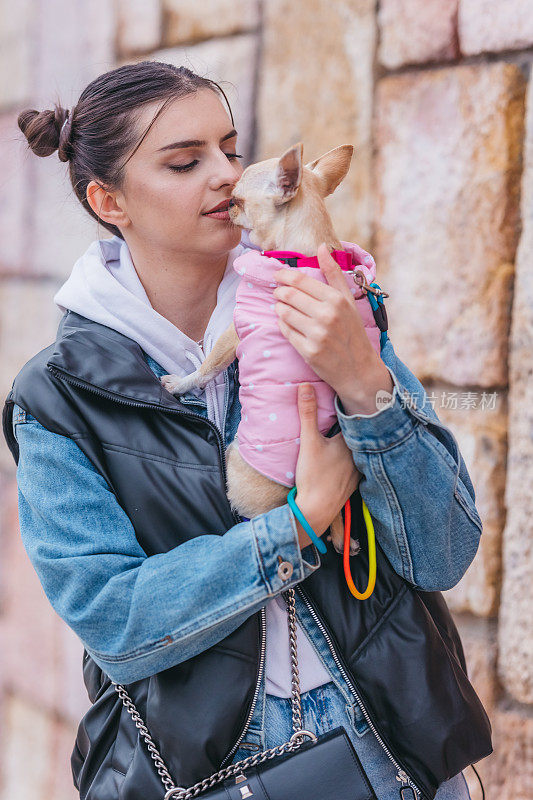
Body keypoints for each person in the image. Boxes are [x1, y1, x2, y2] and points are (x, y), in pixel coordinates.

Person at [3, 61, 491, 800]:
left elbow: (443, 554)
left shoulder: (321, 306)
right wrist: (294, 525)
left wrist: (364, 383)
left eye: (230, 150)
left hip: (396, 752)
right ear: (109, 201)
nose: (227, 176)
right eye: (184, 161)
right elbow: (116, 619)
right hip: (213, 777)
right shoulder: (60, 396)